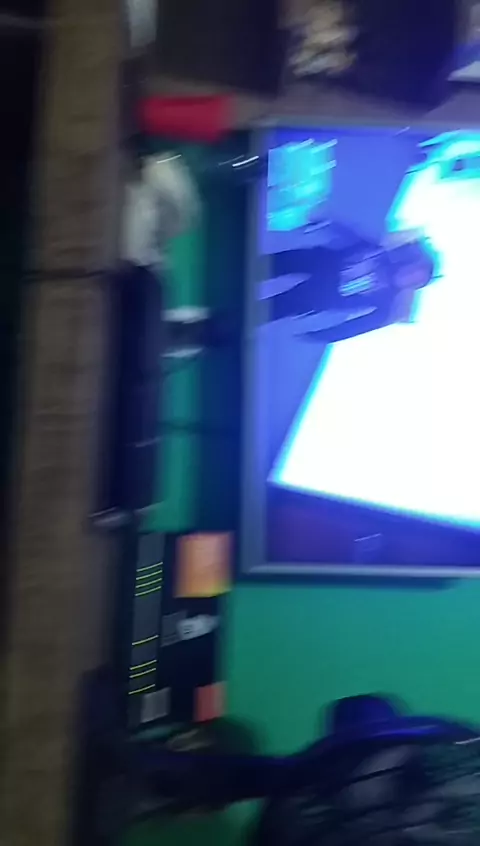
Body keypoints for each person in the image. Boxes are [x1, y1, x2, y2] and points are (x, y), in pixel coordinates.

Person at [264, 224, 435, 341]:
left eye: (415, 280)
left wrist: (323, 335)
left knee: (269, 309)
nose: (410, 275)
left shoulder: (386, 303)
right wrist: (328, 224)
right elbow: (358, 241)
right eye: (414, 270)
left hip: (315, 297)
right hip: (316, 260)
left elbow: (356, 327)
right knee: (265, 266)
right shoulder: (386, 257)